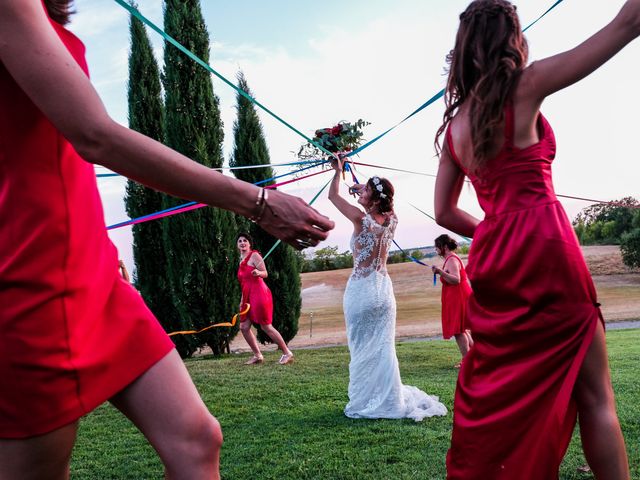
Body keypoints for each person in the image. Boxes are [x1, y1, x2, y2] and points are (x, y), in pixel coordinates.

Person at [0, 2, 334, 479]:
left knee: (197, 441)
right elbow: (94, 135)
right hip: (38, 284)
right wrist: (259, 202)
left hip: (96, 277)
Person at [433, 1, 638, 478]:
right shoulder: (524, 86)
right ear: (512, 38)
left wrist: (495, 228)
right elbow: (627, 24)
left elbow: (444, 211)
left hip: (496, 252)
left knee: (503, 377)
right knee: (595, 396)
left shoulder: (456, 126)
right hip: (546, 242)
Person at [328, 157, 447, 421]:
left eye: (366, 191)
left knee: (361, 348)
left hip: (361, 290)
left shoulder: (360, 219)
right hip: (383, 291)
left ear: (373, 199)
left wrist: (338, 171)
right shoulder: (392, 220)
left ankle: (365, 400)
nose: (362, 193)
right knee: (383, 349)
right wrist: (365, 191)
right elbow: (377, 204)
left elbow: (333, 196)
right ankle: (389, 399)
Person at [236, 233, 294, 365]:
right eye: (240, 241)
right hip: (247, 296)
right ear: (237, 245)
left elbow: (265, 273)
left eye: (245, 240)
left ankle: (287, 352)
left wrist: (258, 273)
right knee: (244, 327)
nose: (242, 243)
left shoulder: (254, 255)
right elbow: (243, 283)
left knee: (266, 326)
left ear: (249, 244)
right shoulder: (240, 260)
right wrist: (242, 300)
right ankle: (257, 355)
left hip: (259, 294)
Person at [432, 234, 473, 367]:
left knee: (458, 330)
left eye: (437, 247)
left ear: (444, 246)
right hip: (456, 296)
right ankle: (473, 358)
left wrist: (441, 272)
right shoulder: (450, 259)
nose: (436, 249)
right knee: (462, 329)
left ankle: (468, 362)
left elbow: (456, 279)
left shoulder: (451, 259)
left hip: (458, 296)